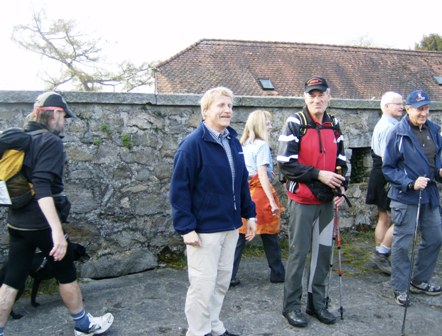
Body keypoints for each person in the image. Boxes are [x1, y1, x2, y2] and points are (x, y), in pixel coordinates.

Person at [0, 92, 114, 336]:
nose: (65, 123)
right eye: (64, 117)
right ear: (55, 113)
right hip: (42, 224)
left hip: (17, 221)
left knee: (12, 279)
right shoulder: (50, 141)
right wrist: (57, 233)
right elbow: (42, 188)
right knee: (66, 274)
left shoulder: (23, 139)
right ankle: (83, 325)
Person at [170, 87, 257, 336]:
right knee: (202, 285)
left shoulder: (232, 140)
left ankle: (214, 327)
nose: (227, 110)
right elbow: (179, 191)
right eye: (221, 105)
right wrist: (186, 228)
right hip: (204, 230)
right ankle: (198, 331)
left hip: (230, 226)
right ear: (205, 110)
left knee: (220, 282)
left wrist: (249, 215)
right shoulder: (192, 145)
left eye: (230, 106)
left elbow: (240, 182)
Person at [277, 76, 348, 328]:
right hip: (302, 200)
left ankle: (316, 303)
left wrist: (341, 186)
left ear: (329, 96)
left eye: (321, 94)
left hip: (327, 201)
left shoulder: (334, 123)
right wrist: (319, 174)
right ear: (305, 97)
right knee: (298, 253)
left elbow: (341, 161)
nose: (316, 99)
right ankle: (291, 306)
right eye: (311, 95)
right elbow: (286, 164)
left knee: (322, 254)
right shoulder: (296, 122)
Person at [383, 89, 442, 306]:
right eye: (419, 108)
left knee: (436, 237)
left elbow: (438, 158)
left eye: (426, 108)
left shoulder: (434, 130)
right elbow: (387, 168)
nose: (424, 112)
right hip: (405, 195)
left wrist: (440, 171)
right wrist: (409, 182)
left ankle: (420, 280)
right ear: (408, 109)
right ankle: (400, 287)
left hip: (429, 193)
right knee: (403, 243)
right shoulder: (397, 133)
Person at [230, 110, 285, 287]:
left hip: (244, 193)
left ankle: (229, 275)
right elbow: (261, 175)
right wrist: (272, 201)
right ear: (260, 125)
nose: (271, 126)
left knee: (240, 235)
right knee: (270, 234)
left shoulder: (243, 144)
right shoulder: (261, 145)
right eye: (268, 123)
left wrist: (268, 171)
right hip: (259, 196)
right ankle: (277, 273)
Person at [365, 92, 403, 275]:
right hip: (387, 175)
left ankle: (380, 254)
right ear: (386, 106)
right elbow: (389, 158)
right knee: (400, 218)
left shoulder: (386, 124)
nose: (402, 107)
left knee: (384, 217)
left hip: (380, 174)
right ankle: (381, 254)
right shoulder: (389, 127)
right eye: (398, 104)